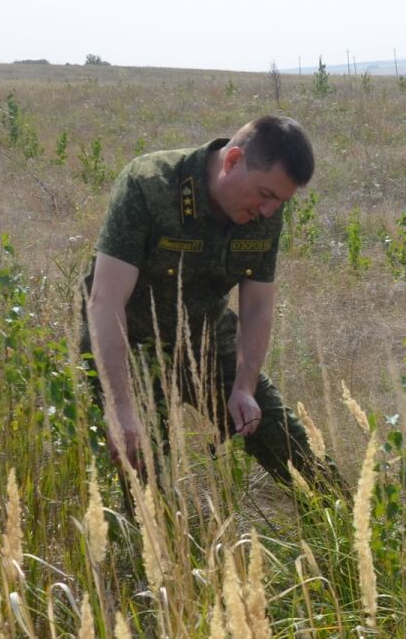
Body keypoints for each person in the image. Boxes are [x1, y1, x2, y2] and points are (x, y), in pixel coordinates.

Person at [82, 115, 337, 492]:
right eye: (266, 196)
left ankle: (352, 538)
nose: (268, 211)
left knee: (297, 454)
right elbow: (105, 300)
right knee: (145, 484)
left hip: (206, 338)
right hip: (131, 346)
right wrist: (120, 405)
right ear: (232, 161)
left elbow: (257, 306)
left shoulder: (267, 208)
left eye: (280, 202)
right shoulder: (150, 185)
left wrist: (245, 387)